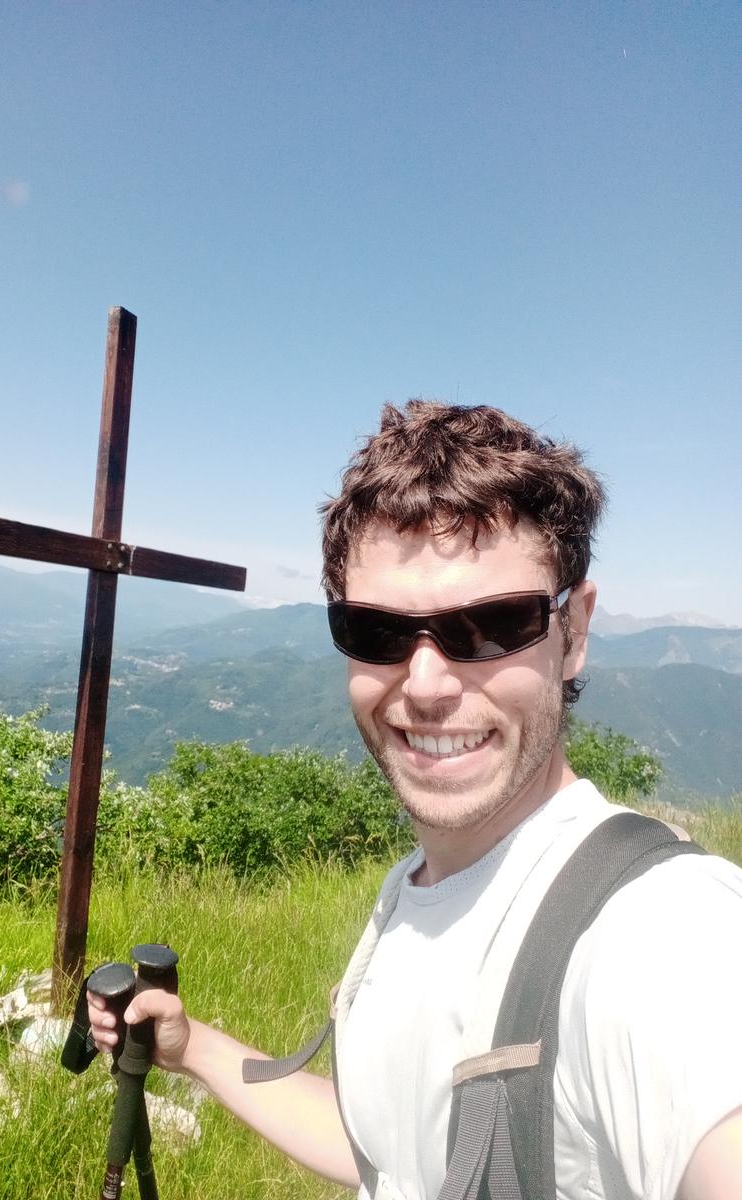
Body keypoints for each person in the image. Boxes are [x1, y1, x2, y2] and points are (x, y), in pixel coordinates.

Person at [88, 401, 742, 1199]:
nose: (426, 684)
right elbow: (393, 1155)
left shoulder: (664, 928)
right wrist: (193, 1050)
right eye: (378, 631)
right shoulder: (415, 890)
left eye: (492, 625)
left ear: (573, 632)